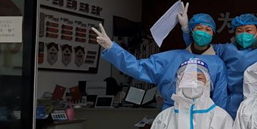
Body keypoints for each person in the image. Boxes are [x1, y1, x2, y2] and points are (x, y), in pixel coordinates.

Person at [93, 16, 229, 111]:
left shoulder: (217, 64)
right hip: (171, 118)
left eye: (208, 29)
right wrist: (112, 48)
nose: (203, 33)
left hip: (203, 120)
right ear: (192, 31)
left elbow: (220, 100)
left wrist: (218, 126)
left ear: (213, 34)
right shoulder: (171, 58)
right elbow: (138, 67)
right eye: (199, 28)